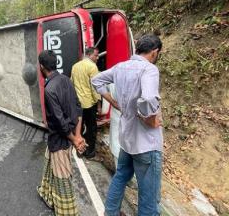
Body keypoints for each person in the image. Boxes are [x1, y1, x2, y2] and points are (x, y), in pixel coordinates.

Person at [92, 34, 163, 216]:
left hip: (127, 140)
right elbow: (147, 99)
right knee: (148, 196)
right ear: (154, 52)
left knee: (120, 177)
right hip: (146, 144)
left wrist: (113, 101)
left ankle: (111, 212)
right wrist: (149, 118)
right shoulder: (149, 69)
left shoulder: (120, 67)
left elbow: (96, 80)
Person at [37, 50, 87, 216]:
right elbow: (78, 107)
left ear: (42, 67)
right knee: (50, 165)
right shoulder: (66, 79)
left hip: (60, 140)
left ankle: (67, 212)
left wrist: (74, 139)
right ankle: (47, 195)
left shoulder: (49, 89)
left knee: (62, 177)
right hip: (67, 136)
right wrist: (78, 136)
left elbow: (60, 122)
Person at [70, 47, 101, 159]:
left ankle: (80, 149)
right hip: (89, 104)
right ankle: (90, 152)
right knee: (91, 128)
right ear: (89, 55)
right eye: (96, 55)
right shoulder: (92, 67)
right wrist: (98, 104)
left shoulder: (75, 66)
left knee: (79, 127)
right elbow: (95, 88)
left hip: (78, 104)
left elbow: (71, 84)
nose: (97, 58)